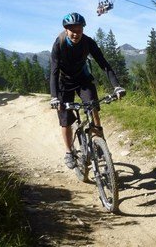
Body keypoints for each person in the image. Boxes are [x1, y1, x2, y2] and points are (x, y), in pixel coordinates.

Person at [50, 12, 126, 169]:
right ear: (66, 30)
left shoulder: (88, 42)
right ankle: (69, 152)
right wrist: (54, 97)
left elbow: (103, 64)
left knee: (93, 107)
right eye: (73, 30)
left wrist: (116, 85)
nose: (76, 34)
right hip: (64, 83)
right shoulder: (59, 43)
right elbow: (54, 71)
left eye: (79, 30)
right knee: (65, 120)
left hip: (83, 80)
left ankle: (99, 143)